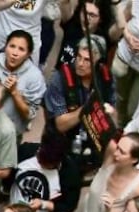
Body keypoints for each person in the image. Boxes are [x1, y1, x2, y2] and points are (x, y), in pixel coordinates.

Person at [44, 37, 114, 174]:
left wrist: (109, 112)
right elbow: (61, 124)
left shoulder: (105, 77)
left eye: (87, 60)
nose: (80, 64)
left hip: (90, 143)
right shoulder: (60, 78)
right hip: (60, 144)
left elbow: (112, 111)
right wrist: (88, 107)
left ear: (98, 62)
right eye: (79, 57)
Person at [0, 30, 47, 134]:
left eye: (21, 49)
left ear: (28, 54)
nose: (14, 53)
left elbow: (30, 114)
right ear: (5, 46)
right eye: (12, 46)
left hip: (9, 134)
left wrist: (15, 92)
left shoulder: (35, 77)